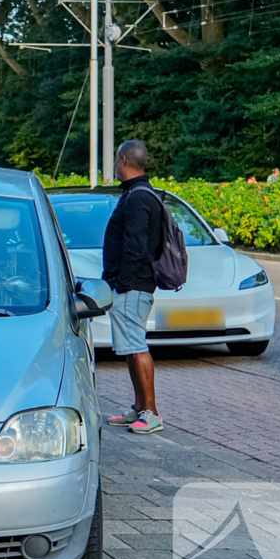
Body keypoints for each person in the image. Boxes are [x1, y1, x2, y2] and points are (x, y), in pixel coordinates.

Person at [103, 140, 164, 435]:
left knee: (136, 346)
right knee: (130, 346)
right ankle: (139, 408)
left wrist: (122, 283)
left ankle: (151, 412)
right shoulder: (140, 194)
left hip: (133, 285)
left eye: (116, 159)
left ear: (123, 160)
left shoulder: (138, 198)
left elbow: (135, 246)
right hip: (132, 283)